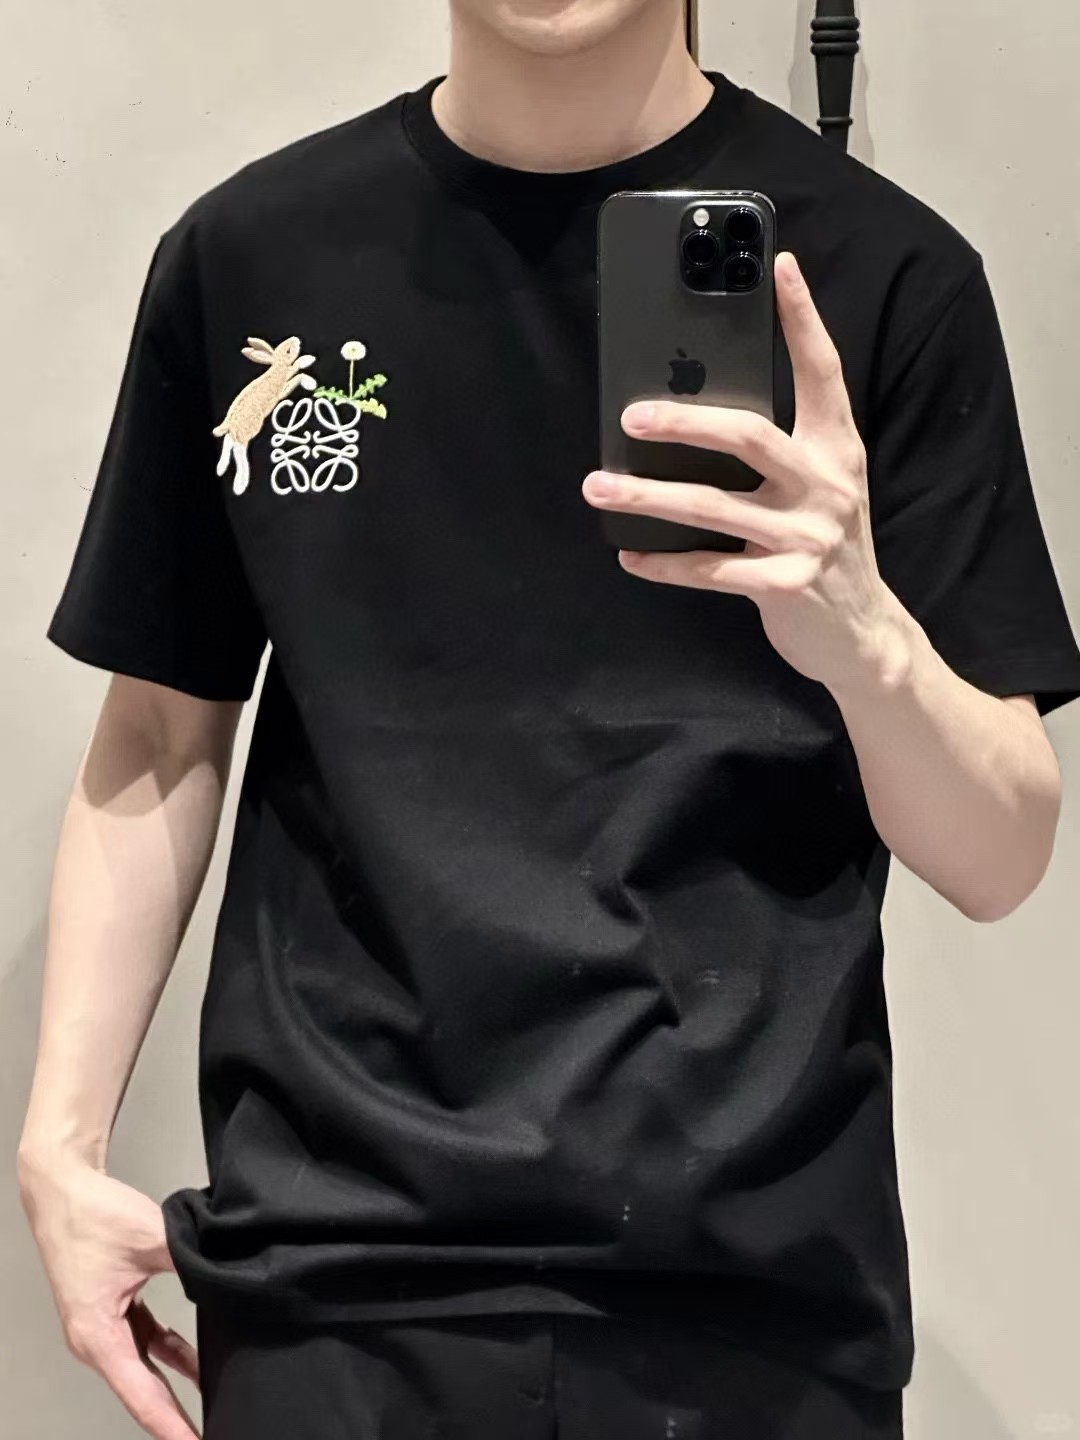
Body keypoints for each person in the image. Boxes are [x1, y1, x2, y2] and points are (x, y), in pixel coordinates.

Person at [17, 1, 1080, 1436]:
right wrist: (59, 1145)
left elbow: (1003, 853)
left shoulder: (887, 277)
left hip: (752, 1307)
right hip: (336, 1285)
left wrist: (867, 638)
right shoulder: (256, 255)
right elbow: (159, 726)